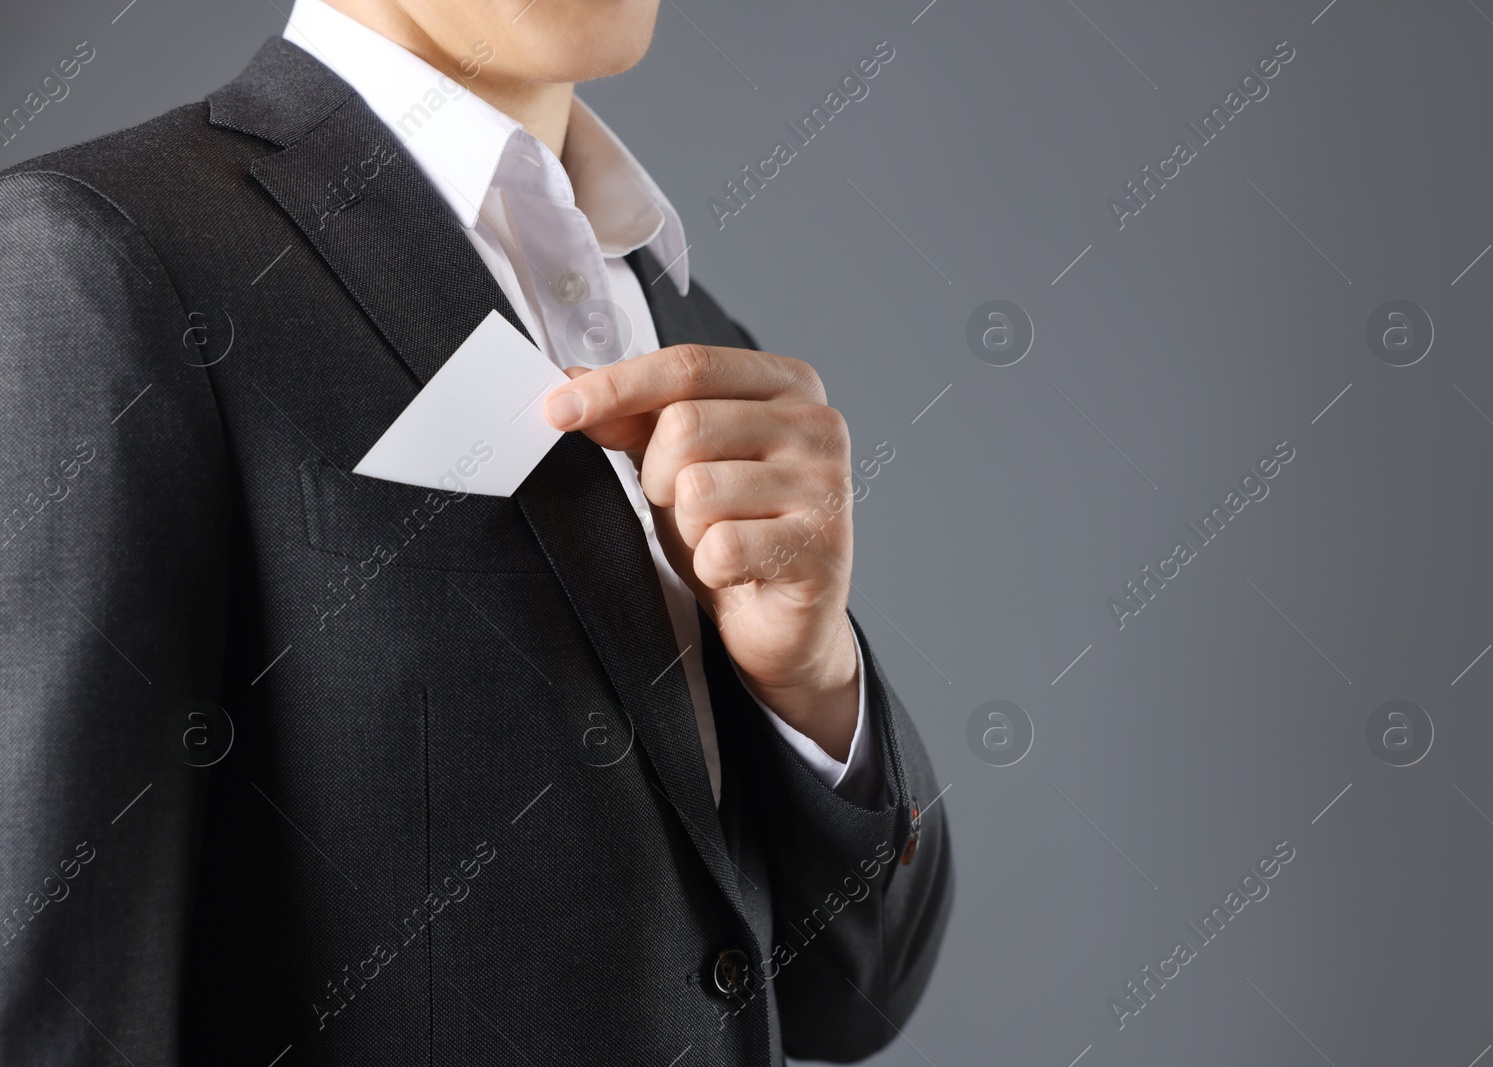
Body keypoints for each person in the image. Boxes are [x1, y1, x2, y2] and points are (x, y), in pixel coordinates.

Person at [0, 0, 952, 1063]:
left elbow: (857, 994)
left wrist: (812, 685)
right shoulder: (96, 260)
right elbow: (56, 1008)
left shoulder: (693, 330)